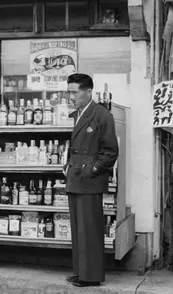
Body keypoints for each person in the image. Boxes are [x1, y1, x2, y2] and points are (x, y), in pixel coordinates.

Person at [63, 73, 119, 287]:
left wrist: (90, 170)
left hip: (89, 179)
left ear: (88, 92)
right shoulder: (79, 113)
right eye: (69, 93)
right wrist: (68, 165)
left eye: (74, 93)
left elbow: (110, 151)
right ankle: (81, 271)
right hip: (76, 178)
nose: (71, 97)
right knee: (78, 230)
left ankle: (91, 276)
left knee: (90, 230)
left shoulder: (102, 114)